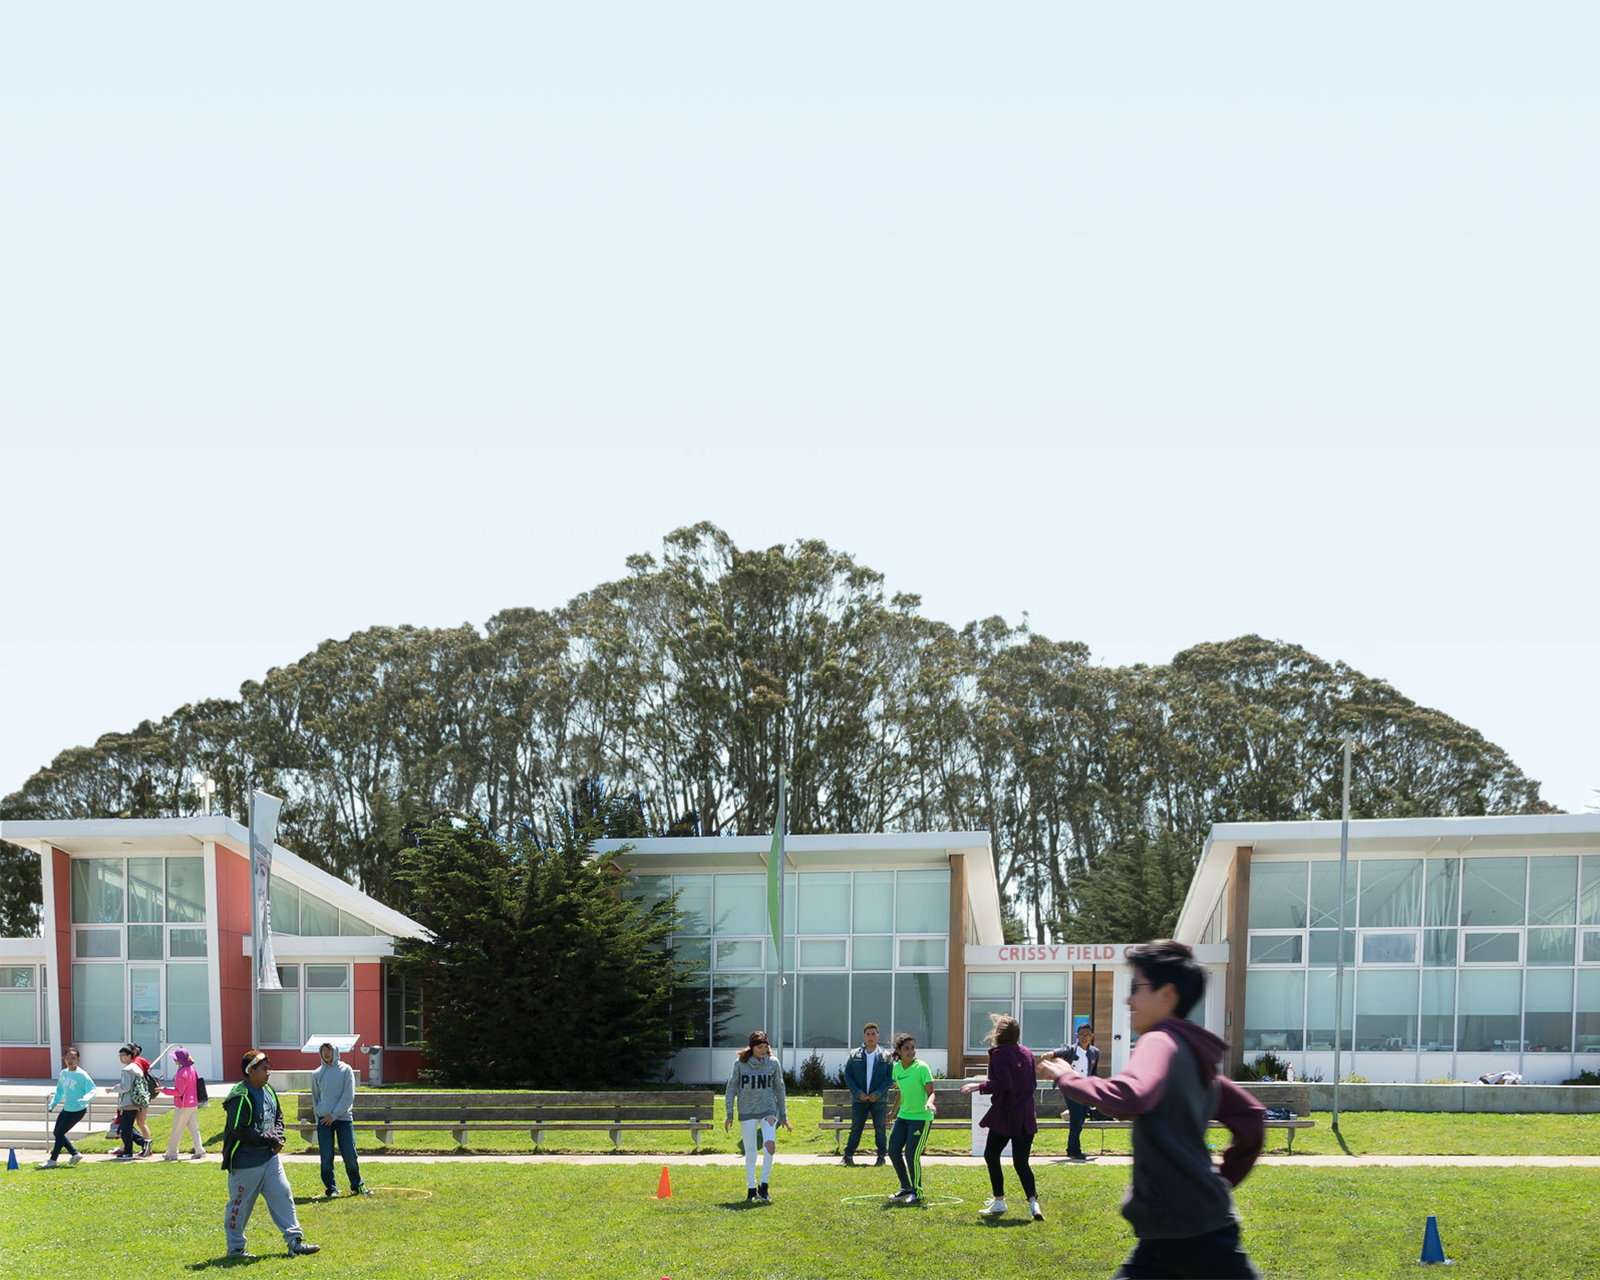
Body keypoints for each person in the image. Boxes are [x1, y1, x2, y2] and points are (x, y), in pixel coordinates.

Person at [1037, 940, 1265, 1280]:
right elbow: (1250, 1119)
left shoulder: (1159, 1041)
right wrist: (1216, 1185)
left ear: (1167, 994)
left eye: (1135, 988)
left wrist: (1068, 1077)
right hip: (1172, 1235)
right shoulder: (1191, 1051)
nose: (1128, 999)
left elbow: (1129, 1097)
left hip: (1199, 1238)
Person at [221, 1051, 322, 1258]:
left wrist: (278, 1137)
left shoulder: (268, 1090)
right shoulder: (240, 1096)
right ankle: (235, 1248)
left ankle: (295, 1241)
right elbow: (239, 1128)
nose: (269, 1072)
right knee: (240, 1206)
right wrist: (271, 1141)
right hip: (245, 1163)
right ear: (251, 1071)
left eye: (269, 1067)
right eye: (264, 1068)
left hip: (269, 1160)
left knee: (283, 1194)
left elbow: (278, 1115)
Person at [961, 1014, 1043, 1221]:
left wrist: (977, 1086)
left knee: (991, 1155)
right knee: (1021, 1162)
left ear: (999, 1034)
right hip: (1026, 1114)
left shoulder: (998, 1054)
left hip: (1006, 1115)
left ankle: (999, 1201)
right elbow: (1032, 1084)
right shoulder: (1027, 1053)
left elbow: (1003, 1083)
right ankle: (1033, 1203)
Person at [723, 1031, 791, 1203]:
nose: (763, 1050)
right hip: (747, 1112)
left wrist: (783, 1115)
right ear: (752, 1047)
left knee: (770, 1146)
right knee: (751, 1151)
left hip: (768, 1111)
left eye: (765, 1047)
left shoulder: (773, 1063)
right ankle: (751, 1188)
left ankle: (764, 1186)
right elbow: (731, 1088)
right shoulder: (740, 1064)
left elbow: (780, 1088)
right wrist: (729, 1114)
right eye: (759, 1047)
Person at [311, 1041, 370, 1196]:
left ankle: (357, 1185)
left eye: (329, 1050)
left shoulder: (346, 1070)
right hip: (324, 1121)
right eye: (323, 1050)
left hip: (343, 1119)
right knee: (326, 1156)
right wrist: (321, 1113)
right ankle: (331, 1188)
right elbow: (315, 1097)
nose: (326, 1053)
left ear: (335, 1051)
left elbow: (348, 1096)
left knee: (349, 1154)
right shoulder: (317, 1073)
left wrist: (335, 1115)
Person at [886, 1032, 936, 1204]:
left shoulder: (922, 1067)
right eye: (906, 1049)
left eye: (913, 1048)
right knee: (892, 1150)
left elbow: (931, 1092)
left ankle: (918, 1192)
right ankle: (906, 1188)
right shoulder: (897, 1069)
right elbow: (901, 1091)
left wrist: (930, 1103)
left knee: (911, 1154)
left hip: (921, 1118)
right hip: (903, 1117)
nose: (911, 1051)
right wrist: (893, 1111)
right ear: (898, 1051)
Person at [1042, 1022, 1101, 1161]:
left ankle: (1072, 1149)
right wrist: (1052, 1053)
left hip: (1086, 1089)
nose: (1084, 1037)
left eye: (1087, 1035)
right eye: (1081, 1035)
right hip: (1070, 1088)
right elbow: (1062, 1051)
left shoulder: (1094, 1052)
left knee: (1080, 1118)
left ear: (1092, 1036)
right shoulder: (1072, 1049)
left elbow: (1094, 1071)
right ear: (1077, 1036)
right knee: (1076, 1116)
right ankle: (1075, 1150)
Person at [841, 1022, 892, 1166]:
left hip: (879, 1099)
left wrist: (878, 1093)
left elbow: (890, 1078)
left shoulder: (886, 1056)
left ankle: (881, 1157)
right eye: (868, 1034)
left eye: (873, 1034)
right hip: (859, 1100)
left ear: (878, 1036)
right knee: (856, 1128)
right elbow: (848, 1076)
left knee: (880, 1128)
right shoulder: (854, 1055)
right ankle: (848, 1156)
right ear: (864, 1036)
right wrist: (857, 1093)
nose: (870, 1037)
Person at [38, 1046, 96, 1169]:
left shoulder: (82, 1075)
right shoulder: (63, 1073)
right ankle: (75, 1153)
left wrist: (85, 1099)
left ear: (78, 1059)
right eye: (68, 1057)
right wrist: (54, 1103)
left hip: (77, 1110)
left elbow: (92, 1090)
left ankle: (53, 1160)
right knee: (57, 1132)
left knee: (59, 1133)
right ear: (64, 1059)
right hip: (67, 1108)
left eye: (73, 1058)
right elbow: (59, 1091)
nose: (70, 1060)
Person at [161, 1048, 206, 1160]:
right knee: (194, 1129)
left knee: (177, 1130)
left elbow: (178, 1092)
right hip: (193, 1104)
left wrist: (164, 1090)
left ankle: (171, 1153)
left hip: (183, 1106)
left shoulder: (181, 1073)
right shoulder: (192, 1069)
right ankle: (200, 1150)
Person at [107, 1044, 149, 1161]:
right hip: (136, 1102)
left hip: (127, 1102)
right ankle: (144, 1143)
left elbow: (126, 1087)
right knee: (128, 1128)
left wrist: (112, 1089)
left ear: (130, 1056)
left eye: (123, 1055)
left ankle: (128, 1152)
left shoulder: (127, 1070)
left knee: (125, 1129)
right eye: (120, 1055)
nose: (121, 1058)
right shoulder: (137, 1069)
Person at [130, 1042, 155, 1157]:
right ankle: (124, 1147)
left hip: (139, 1097)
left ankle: (147, 1148)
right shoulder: (141, 1061)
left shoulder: (135, 1063)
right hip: (145, 1095)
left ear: (133, 1052)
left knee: (137, 1123)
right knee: (138, 1123)